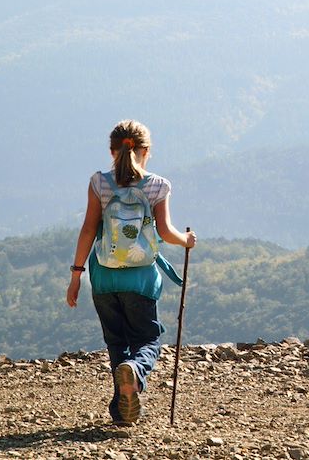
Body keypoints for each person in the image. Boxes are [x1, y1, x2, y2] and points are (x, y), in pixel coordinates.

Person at [66, 119, 196, 425]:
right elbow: (164, 232)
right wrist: (187, 241)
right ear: (146, 151)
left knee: (117, 342)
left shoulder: (99, 183)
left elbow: (87, 230)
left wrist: (75, 276)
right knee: (147, 340)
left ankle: (121, 407)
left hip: (104, 280)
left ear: (112, 151)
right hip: (140, 280)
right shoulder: (157, 186)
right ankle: (135, 373)